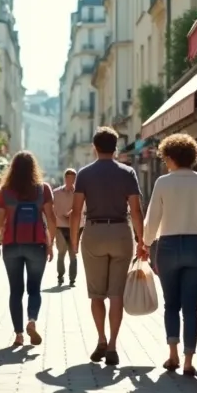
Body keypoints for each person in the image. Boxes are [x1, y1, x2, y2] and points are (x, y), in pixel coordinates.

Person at [142, 134, 197, 377]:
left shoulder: (163, 183)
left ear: (170, 157)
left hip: (167, 247)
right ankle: (189, 360)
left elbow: (153, 218)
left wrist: (145, 244)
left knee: (171, 305)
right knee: (190, 306)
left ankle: (172, 355)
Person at [72, 126, 145, 366]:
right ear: (116, 147)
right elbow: (136, 210)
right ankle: (113, 345)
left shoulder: (84, 174)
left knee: (96, 294)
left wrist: (74, 241)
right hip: (121, 231)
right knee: (116, 294)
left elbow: (75, 212)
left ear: (95, 147)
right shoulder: (127, 173)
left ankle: (101, 339)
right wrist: (141, 240)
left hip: (93, 232)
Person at [0, 151, 56, 347]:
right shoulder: (43, 189)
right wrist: (50, 242)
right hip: (36, 245)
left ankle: (18, 335)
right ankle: (32, 321)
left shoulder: (5, 191)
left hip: (11, 245)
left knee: (15, 291)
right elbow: (52, 219)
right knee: (34, 288)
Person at [52, 168, 80, 286]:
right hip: (60, 227)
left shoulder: (79, 193)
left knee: (73, 254)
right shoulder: (56, 193)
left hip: (74, 227)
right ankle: (60, 277)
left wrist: (72, 213)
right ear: (65, 178)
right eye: (69, 178)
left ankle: (72, 279)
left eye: (73, 179)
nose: (71, 181)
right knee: (61, 253)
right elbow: (51, 210)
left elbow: (82, 208)